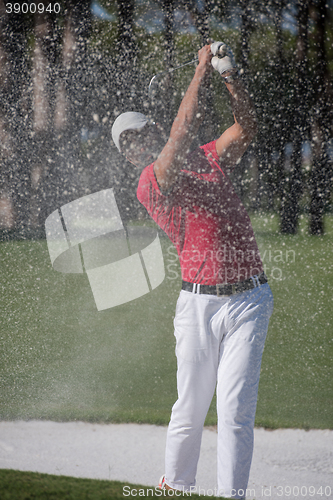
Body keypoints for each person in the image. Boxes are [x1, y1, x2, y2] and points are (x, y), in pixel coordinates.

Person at [111, 43, 273, 499]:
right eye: (127, 144)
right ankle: (174, 488)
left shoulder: (209, 156)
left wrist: (229, 75)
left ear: (153, 129)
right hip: (198, 305)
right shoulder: (150, 182)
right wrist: (201, 68)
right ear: (127, 158)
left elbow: (246, 127)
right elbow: (179, 136)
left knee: (236, 411)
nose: (136, 144)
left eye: (139, 133)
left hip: (249, 301)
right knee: (191, 407)